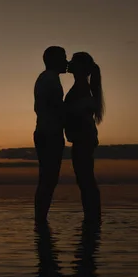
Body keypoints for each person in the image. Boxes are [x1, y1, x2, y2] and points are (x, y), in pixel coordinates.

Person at [64, 52, 104, 222]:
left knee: (85, 180)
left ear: (80, 67)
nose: (69, 63)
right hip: (83, 138)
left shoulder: (81, 88)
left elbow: (77, 112)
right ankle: (92, 218)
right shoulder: (82, 87)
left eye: (73, 61)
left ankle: (92, 218)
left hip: (83, 138)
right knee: (85, 179)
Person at [33, 46, 68, 223]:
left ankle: (40, 222)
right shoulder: (50, 79)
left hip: (44, 132)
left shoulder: (45, 78)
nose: (67, 62)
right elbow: (56, 108)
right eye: (64, 58)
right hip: (50, 133)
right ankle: (40, 221)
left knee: (46, 179)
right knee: (48, 179)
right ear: (54, 60)